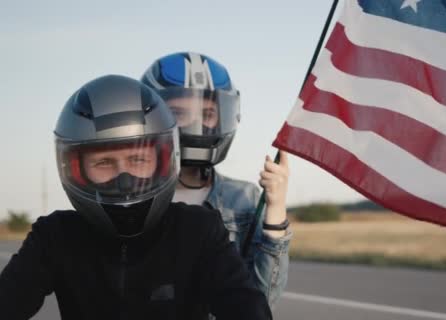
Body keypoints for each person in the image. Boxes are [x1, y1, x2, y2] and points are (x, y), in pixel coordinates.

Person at [0, 75, 272, 320]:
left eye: (138, 159)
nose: (124, 178)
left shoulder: (198, 230)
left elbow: (246, 308)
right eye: (104, 162)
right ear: (75, 170)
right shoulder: (55, 236)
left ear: (164, 160)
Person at [141, 52, 291, 308]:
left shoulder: (243, 199)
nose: (195, 124)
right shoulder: (134, 199)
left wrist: (276, 209)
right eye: (178, 112)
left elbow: (261, 301)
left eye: (207, 113)